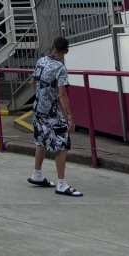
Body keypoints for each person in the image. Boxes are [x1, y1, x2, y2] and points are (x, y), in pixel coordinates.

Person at [28, 37, 81, 197]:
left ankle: (37, 174)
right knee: (62, 145)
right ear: (66, 51)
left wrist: (42, 95)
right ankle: (62, 184)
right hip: (52, 112)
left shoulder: (41, 61)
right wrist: (70, 118)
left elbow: (32, 82)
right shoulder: (60, 68)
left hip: (38, 108)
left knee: (41, 140)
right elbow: (63, 95)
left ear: (52, 47)